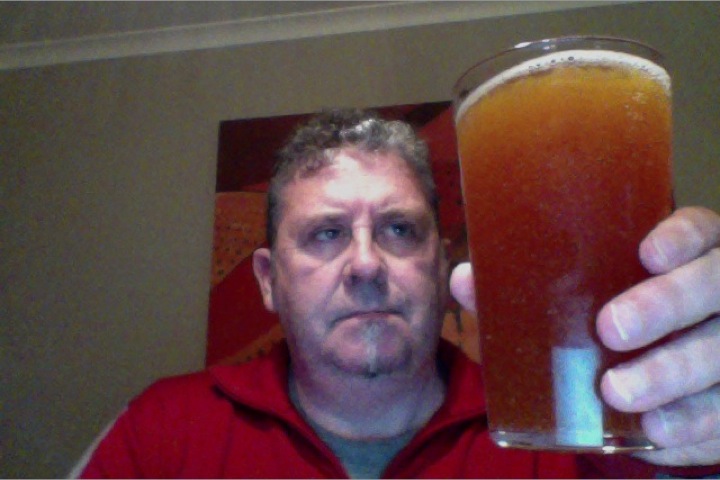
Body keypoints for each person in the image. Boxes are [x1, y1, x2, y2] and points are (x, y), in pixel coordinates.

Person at [77, 109, 720, 478]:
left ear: (441, 266)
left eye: (400, 229)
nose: (366, 264)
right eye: (326, 233)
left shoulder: (567, 439)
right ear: (268, 281)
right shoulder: (160, 434)